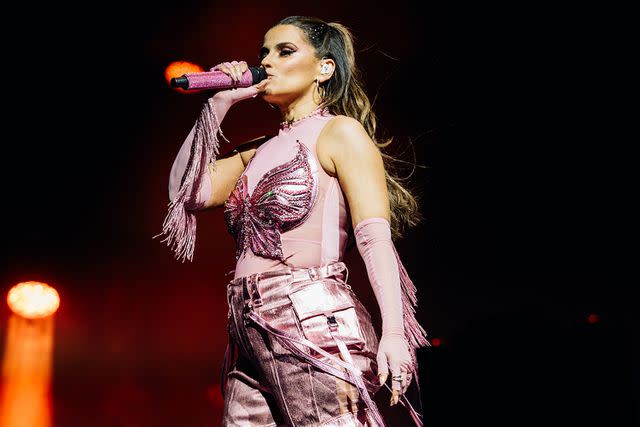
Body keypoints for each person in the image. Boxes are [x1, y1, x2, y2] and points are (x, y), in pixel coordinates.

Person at [157, 15, 431, 426]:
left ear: (324, 68)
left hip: (310, 313)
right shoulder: (258, 149)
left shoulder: (340, 133)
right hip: (246, 323)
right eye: (263, 52)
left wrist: (394, 332)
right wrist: (219, 103)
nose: (267, 61)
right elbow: (185, 194)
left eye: (285, 51)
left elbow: (374, 239)